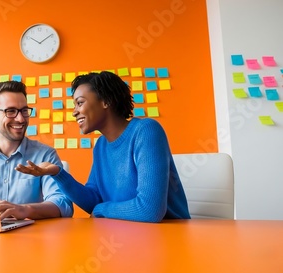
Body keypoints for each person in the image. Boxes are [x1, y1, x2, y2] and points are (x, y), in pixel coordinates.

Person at [15, 71, 190, 223]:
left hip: (169, 236)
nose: (74, 111)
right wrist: (58, 174)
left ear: (106, 101)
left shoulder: (146, 131)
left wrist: (101, 210)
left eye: (80, 103)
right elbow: (93, 201)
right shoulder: (101, 146)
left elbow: (149, 210)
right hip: (129, 235)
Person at [0, 81, 73, 220]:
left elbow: (63, 205)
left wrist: (25, 210)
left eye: (24, 111)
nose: (20, 119)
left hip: (30, 238)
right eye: (11, 111)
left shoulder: (45, 155)